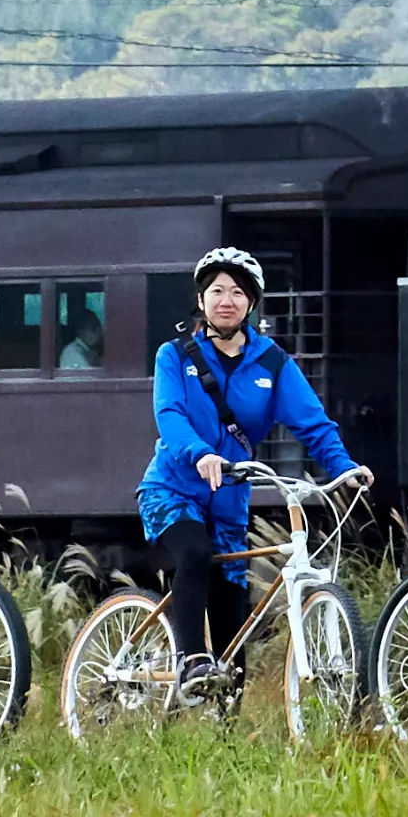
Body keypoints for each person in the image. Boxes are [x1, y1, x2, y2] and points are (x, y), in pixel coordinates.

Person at [140, 245, 361, 669]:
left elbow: (313, 423)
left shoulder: (273, 363)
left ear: (252, 303)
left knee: (231, 609)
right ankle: (187, 660)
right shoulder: (174, 355)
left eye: (238, 293)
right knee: (194, 554)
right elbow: (169, 415)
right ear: (201, 300)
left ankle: (226, 725)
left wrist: (344, 467)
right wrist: (200, 453)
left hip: (229, 497)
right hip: (174, 488)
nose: (227, 301)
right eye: (217, 291)